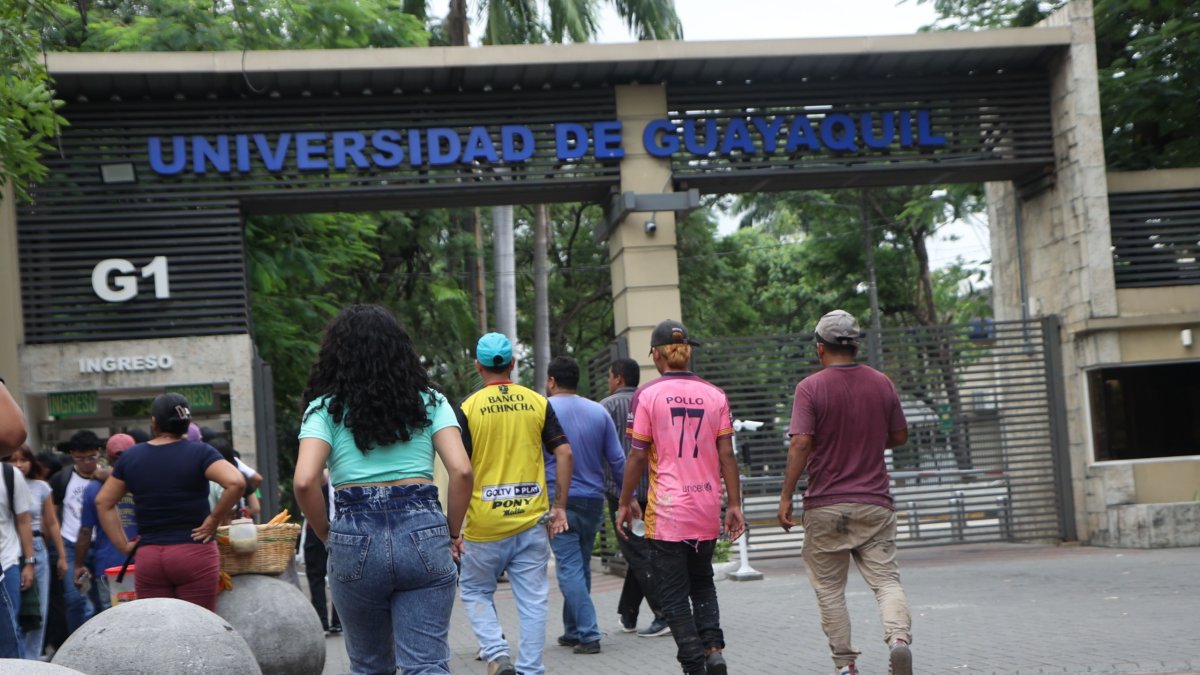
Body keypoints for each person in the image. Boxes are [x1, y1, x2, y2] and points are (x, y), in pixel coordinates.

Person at [294, 304, 472, 674]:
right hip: (424, 533)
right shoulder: (432, 402)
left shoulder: (324, 410)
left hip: (353, 539)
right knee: (427, 665)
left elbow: (304, 480)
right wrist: (452, 531)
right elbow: (462, 470)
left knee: (370, 666)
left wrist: (329, 534)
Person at [776, 309, 913, 675]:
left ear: (820, 348)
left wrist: (786, 495)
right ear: (855, 345)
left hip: (826, 506)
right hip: (874, 504)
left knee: (830, 590)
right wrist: (868, 438)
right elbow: (900, 436)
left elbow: (801, 443)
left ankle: (846, 666)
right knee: (885, 581)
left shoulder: (810, 388)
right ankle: (898, 641)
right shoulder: (882, 383)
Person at [616, 319, 745, 675]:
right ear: (687, 353)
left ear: (657, 356)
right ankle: (713, 649)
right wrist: (733, 504)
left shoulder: (648, 395)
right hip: (705, 506)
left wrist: (625, 502)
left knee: (673, 595)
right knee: (702, 581)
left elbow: (638, 455)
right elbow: (727, 455)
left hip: (668, 510)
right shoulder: (715, 395)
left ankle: (694, 664)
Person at [457, 332, 572, 675]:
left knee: (475, 589)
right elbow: (564, 451)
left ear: (478, 366)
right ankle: (531, 669)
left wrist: (454, 526)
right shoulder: (537, 402)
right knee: (533, 601)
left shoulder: (467, 408)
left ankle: (496, 653)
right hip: (531, 520)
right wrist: (560, 506)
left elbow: (461, 470)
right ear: (513, 364)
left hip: (484, 525)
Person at [94, 393, 245, 611]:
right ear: (187, 423)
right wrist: (213, 520)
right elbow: (236, 482)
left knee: (158, 631)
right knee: (198, 627)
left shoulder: (132, 457)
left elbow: (103, 503)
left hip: (150, 556)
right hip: (194, 551)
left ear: (154, 422)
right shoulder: (200, 453)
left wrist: (124, 546)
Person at [544, 356, 626, 655]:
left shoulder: (544, 410)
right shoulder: (598, 411)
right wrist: (627, 498)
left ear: (552, 381)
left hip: (559, 500)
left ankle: (589, 634)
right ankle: (573, 629)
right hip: (593, 499)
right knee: (579, 564)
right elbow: (617, 460)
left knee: (568, 568)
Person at [600, 357, 669, 638]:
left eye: (609, 375)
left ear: (617, 378)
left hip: (622, 492)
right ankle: (628, 614)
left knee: (638, 553)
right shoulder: (650, 400)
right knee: (639, 550)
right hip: (652, 488)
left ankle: (664, 613)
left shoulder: (605, 407)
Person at [6, 446, 68, 659]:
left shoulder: (41, 487)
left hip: (37, 546)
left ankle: (32, 659)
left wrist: (61, 556)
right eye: (13, 460)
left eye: (23, 459)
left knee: (38, 609)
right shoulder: (6, 481)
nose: (19, 464)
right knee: (13, 609)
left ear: (32, 462)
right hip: (10, 549)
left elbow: (51, 523)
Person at [74, 434, 138, 614]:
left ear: (108, 457)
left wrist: (78, 565)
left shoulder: (93, 488)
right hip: (143, 562)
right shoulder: (144, 481)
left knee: (111, 620)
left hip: (109, 567)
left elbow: (86, 531)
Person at [48, 430, 104, 633]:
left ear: (99, 452)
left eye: (91, 457)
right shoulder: (61, 479)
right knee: (73, 599)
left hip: (101, 545)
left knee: (102, 602)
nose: (86, 463)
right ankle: (75, 643)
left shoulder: (107, 478)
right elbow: (51, 516)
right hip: (71, 544)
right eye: (80, 458)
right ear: (72, 455)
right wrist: (59, 553)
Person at [301, 471, 340, 635]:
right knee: (341, 576)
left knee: (317, 577)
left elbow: (303, 484)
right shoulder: (343, 473)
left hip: (317, 529)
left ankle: (322, 622)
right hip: (340, 527)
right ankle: (338, 622)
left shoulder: (321, 474)